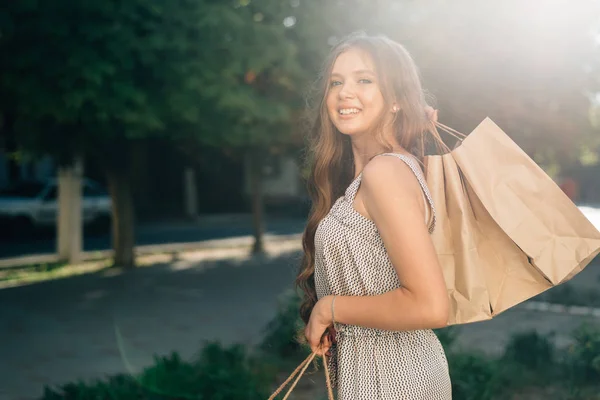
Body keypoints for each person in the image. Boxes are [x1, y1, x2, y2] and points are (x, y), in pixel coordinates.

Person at [296, 33, 452, 399]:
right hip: (375, 372)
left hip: (393, 378)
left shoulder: (385, 173)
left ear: (396, 99)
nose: (344, 92)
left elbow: (430, 306)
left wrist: (329, 308)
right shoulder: (372, 175)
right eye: (337, 82)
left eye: (364, 80)